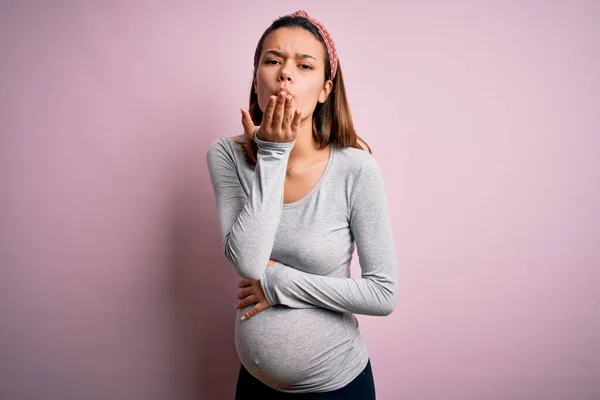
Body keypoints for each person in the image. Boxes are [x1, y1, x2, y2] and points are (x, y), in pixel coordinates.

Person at [206, 9, 398, 399]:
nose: (285, 73)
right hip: (256, 385)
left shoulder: (355, 169)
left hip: (339, 386)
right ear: (256, 78)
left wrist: (276, 281)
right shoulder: (226, 156)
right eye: (272, 60)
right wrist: (273, 154)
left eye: (304, 65)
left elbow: (382, 294)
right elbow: (247, 261)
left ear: (326, 90)